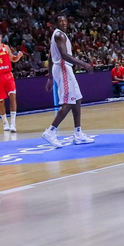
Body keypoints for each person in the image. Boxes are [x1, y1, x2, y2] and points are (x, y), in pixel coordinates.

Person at [42, 15, 94, 147]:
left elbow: (50, 55)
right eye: (60, 21)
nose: (64, 23)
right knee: (69, 101)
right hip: (63, 67)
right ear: (56, 23)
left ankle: (78, 133)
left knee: (77, 99)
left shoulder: (59, 35)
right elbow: (64, 55)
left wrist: (50, 77)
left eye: (65, 21)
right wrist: (84, 64)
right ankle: (51, 131)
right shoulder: (59, 35)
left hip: (63, 68)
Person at [0, 32, 24, 134]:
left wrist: (18, 57)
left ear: (1, 37)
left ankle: (13, 123)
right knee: (1, 101)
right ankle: (5, 122)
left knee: (13, 96)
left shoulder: (6, 48)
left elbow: (13, 59)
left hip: (8, 75)